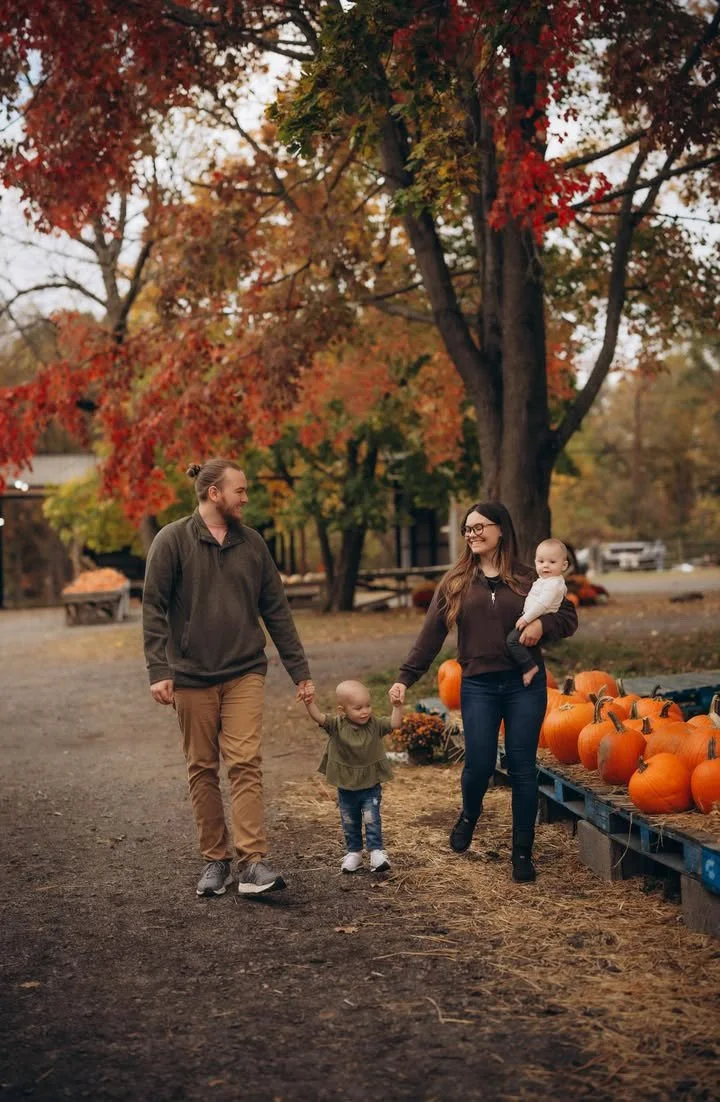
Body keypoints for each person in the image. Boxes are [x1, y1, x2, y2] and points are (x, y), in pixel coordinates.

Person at [142, 458, 314, 898]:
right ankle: (215, 860)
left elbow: (276, 610)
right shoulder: (172, 540)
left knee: (245, 763)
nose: (246, 497)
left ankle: (252, 863)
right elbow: (154, 607)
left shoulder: (252, 544)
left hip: (243, 672)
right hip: (191, 676)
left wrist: (300, 672)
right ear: (214, 493)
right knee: (202, 767)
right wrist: (159, 671)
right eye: (240, 490)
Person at [388, 502, 578, 883]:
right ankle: (469, 815)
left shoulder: (531, 578)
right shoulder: (456, 581)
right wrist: (405, 678)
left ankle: (522, 853)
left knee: (523, 768)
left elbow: (568, 615)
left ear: (501, 529)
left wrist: (544, 626)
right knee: (479, 762)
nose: (472, 534)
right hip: (478, 685)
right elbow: (431, 637)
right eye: (467, 529)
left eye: (480, 527)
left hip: (525, 684)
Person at [304, 680, 402, 874]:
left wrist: (397, 707)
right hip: (346, 786)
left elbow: (395, 723)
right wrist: (309, 703)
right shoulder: (336, 725)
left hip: (370, 784)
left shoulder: (374, 725)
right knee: (349, 820)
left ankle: (376, 852)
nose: (365, 711)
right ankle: (354, 853)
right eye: (358, 708)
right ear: (342, 710)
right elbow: (318, 717)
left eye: (367, 706)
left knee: (371, 818)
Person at [506, 538, 569, 687]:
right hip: (534, 616)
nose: (545, 565)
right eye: (541, 562)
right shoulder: (548, 581)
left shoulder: (553, 584)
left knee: (512, 641)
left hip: (537, 617)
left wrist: (526, 619)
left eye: (552, 562)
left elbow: (543, 604)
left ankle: (529, 667)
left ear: (564, 565)